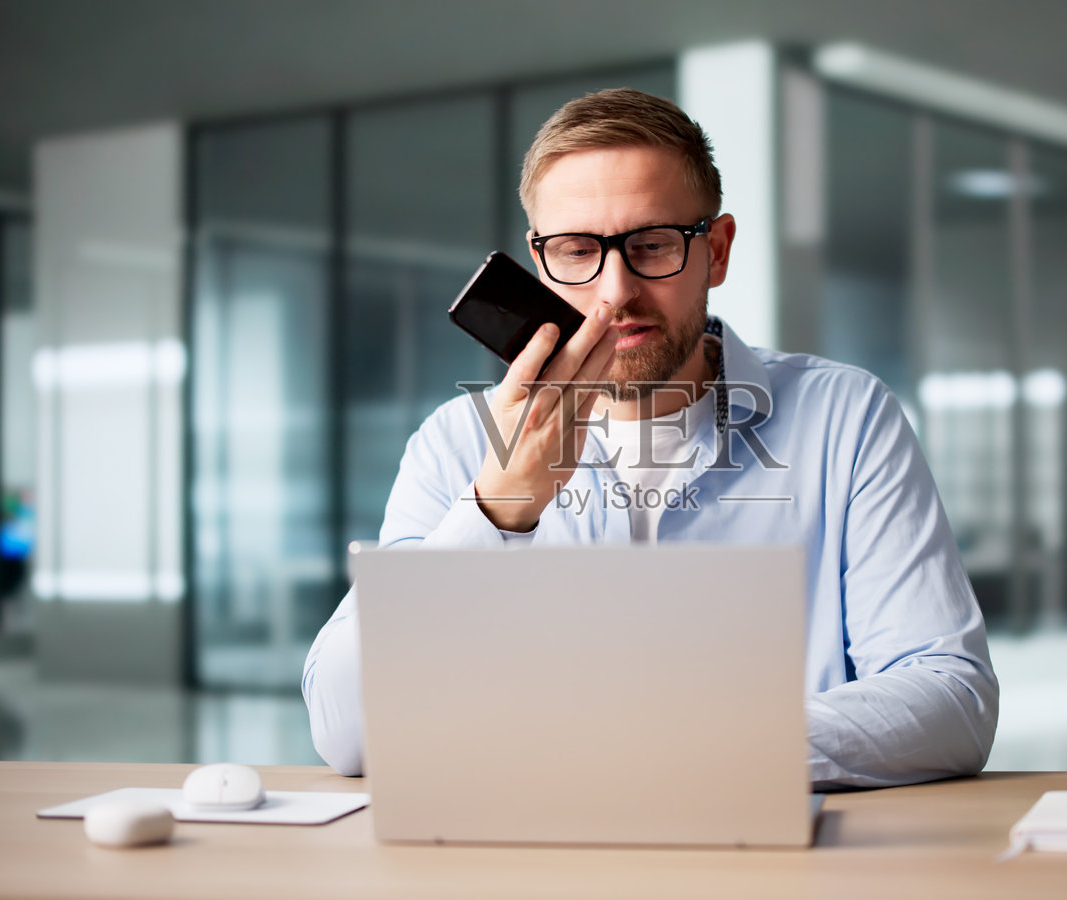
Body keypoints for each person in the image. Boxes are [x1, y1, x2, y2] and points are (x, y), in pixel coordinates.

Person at [303, 88, 998, 790]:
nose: (616, 292)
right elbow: (349, 729)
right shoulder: (457, 443)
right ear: (541, 264)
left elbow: (951, 700)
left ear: (715, 253)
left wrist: (676, 750)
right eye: (578, 251)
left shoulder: (845, 417)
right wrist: (499, 506)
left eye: (652, 246)